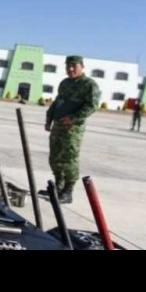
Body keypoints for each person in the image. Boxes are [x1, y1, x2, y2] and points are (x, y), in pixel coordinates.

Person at [37, 56, 100, 204]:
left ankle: (68, 191)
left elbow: (92, 105)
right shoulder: (65, 83)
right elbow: (57, 102)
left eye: (74, 66)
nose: (70, 69)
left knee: (69, 158)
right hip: (58, 126)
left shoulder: (89, 84)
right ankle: (58, 188)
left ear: (82, 67)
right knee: (55, 157)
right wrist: (49, 118)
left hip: (72, 130)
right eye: (68, 66)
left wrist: (73, 118)